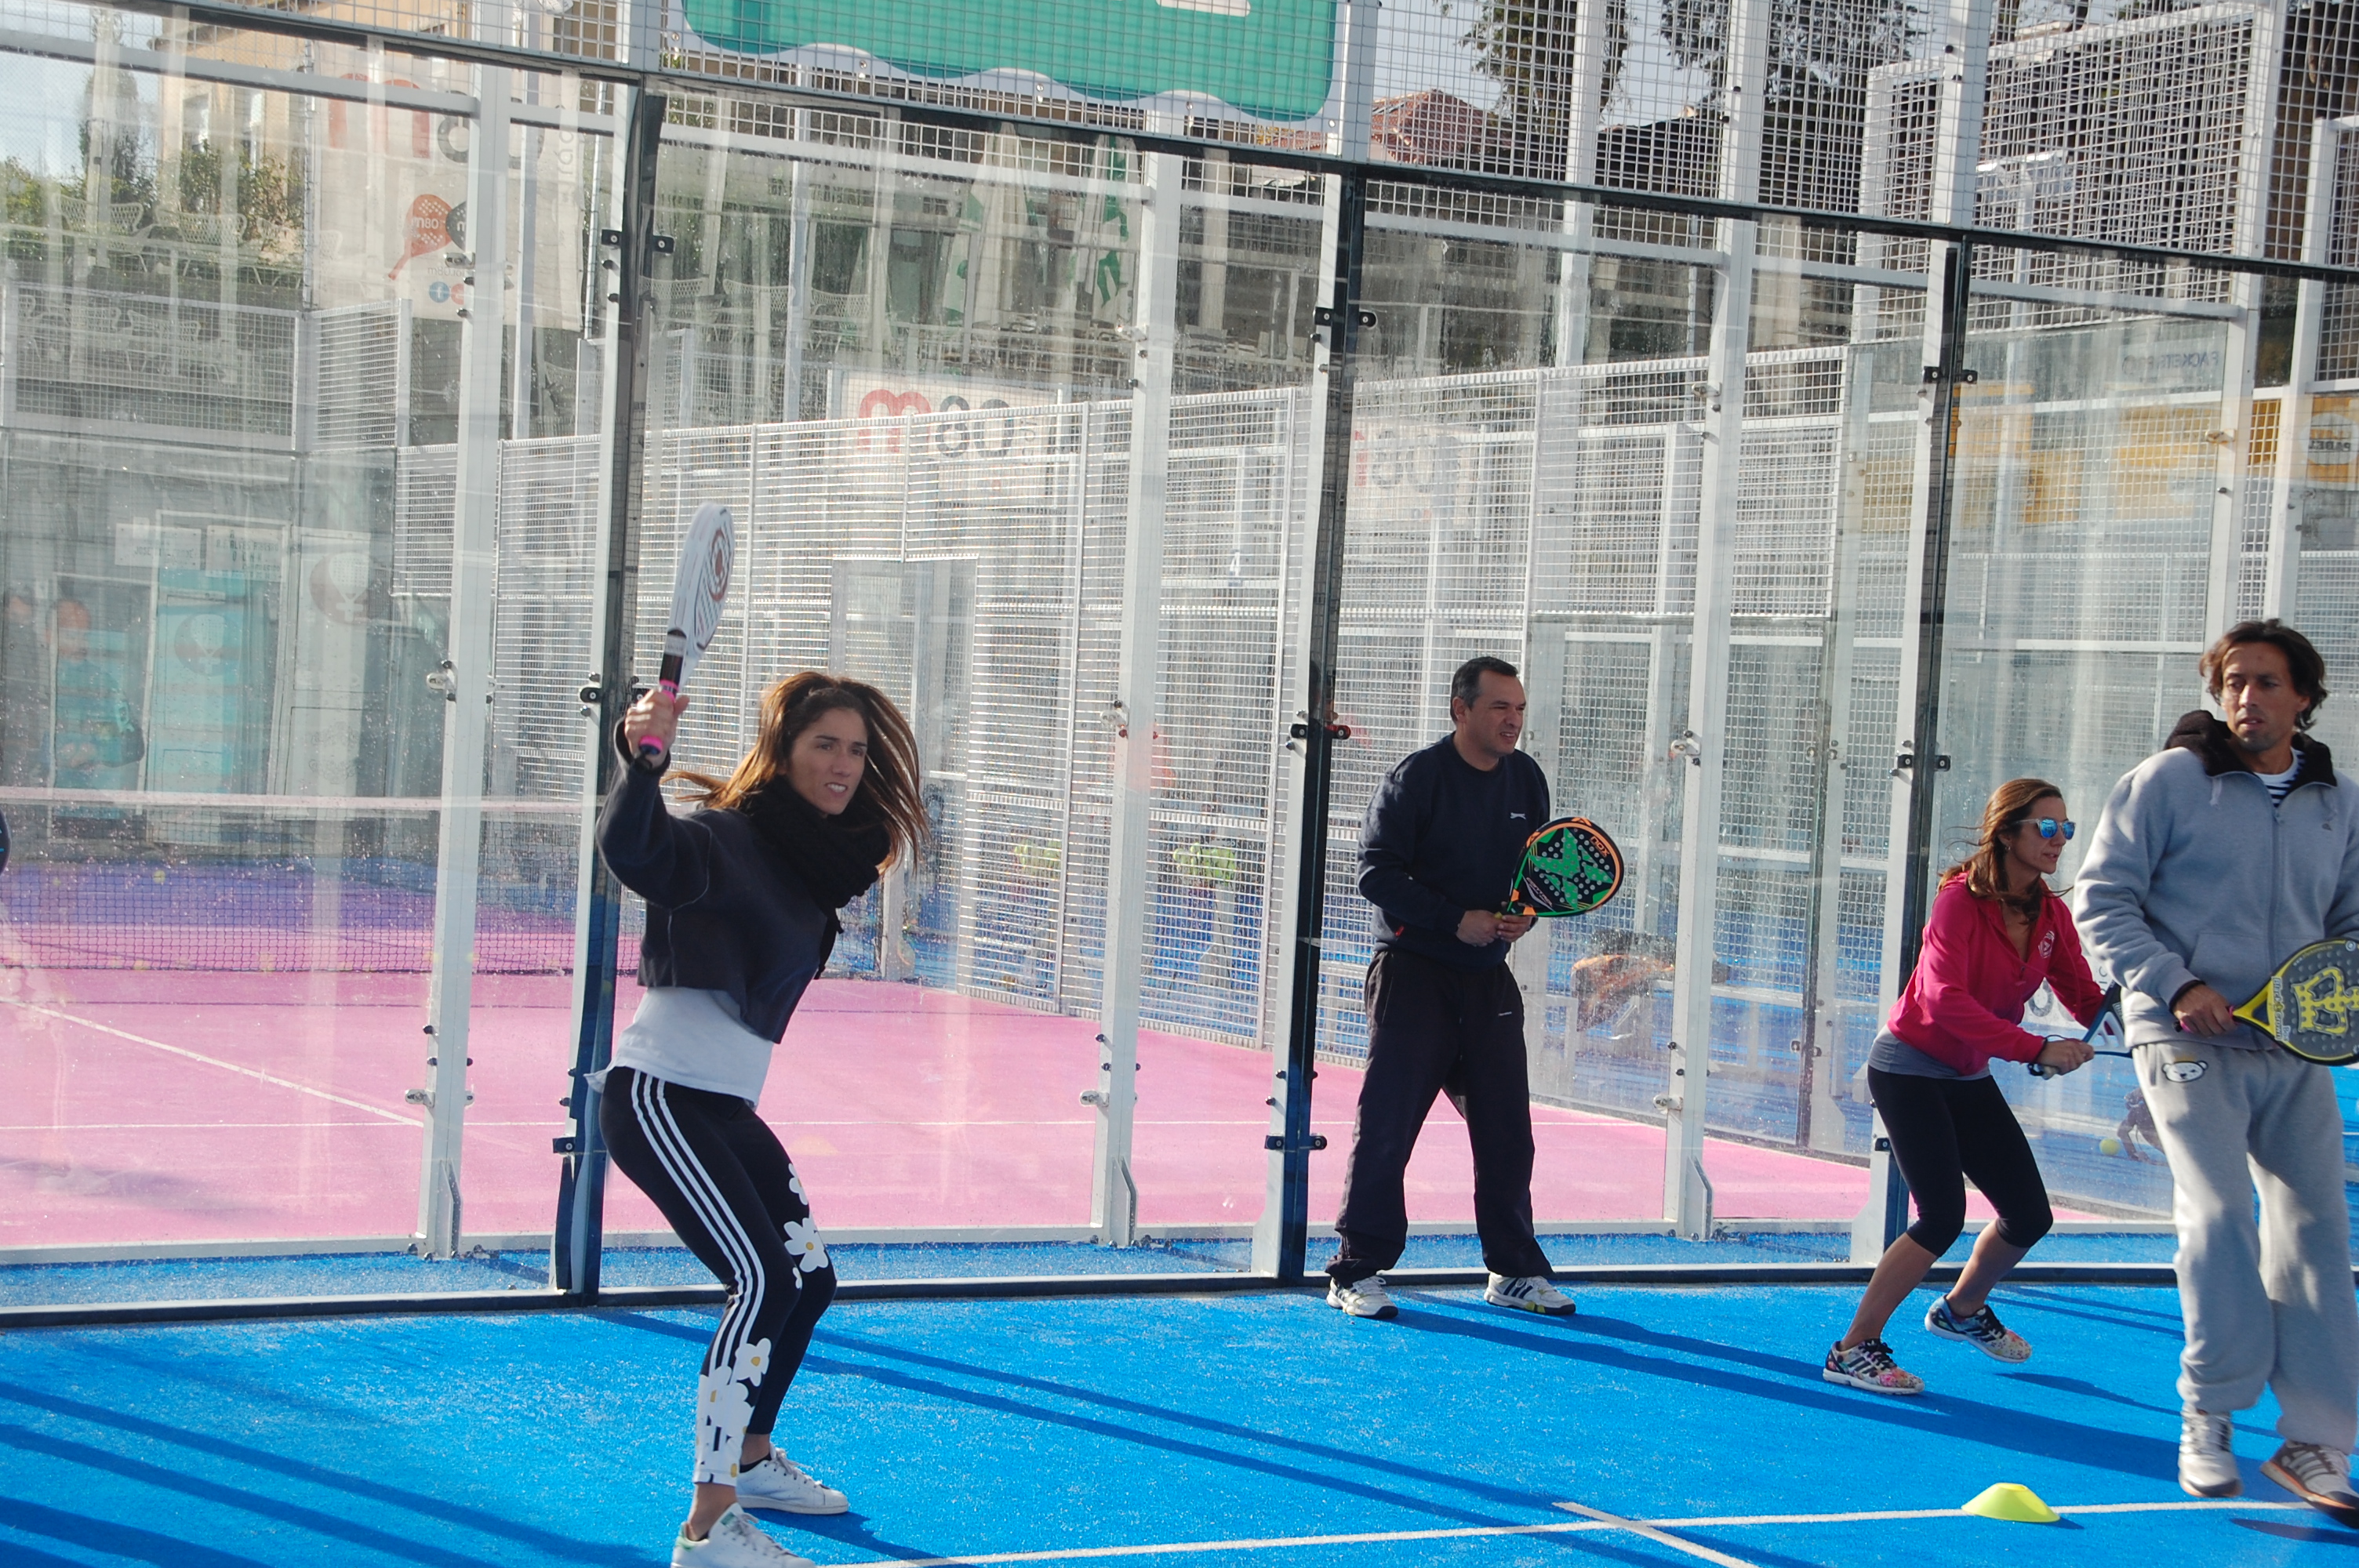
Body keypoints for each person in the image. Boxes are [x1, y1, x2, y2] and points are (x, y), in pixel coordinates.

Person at [599, 670, 928, 1568]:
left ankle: (749, 1459)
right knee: (762, 1282)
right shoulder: (722, 836)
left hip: (722, 1104)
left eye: (856, 749)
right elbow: (635, 849)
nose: (843, 763)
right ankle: (708, 1526)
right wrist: (641, 760)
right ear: (781, 751)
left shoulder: (809, 863)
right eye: (824, 744)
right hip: (659, 1096)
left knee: (808, 1278)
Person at [2076, 619, 2359, 1523]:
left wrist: (2326, 1006)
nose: (2245, 696)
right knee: (2218, 1217)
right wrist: (2176, 983)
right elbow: (2101, 901)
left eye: (2265, 681)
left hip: (2289, 1050)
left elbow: (2351, 926)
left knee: (2316, 1232)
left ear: (2302, 697)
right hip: (2183, 1038)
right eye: (2232, 681)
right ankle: (2207, 1413)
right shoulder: (2164, 781)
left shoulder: (2337, 802)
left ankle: (2314, 1440)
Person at [1822, 778, 2100, 1396]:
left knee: (2029, 1215)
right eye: (2046, 827)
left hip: (1969, 1074)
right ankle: (1852, 1349)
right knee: (1943, 1216)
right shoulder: (1958, 903)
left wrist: (2160, 1017)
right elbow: (1944, 1002)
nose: (2059, 840)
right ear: (2007, 833)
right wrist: (2037, 1048)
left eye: (2066, 829)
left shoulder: (2051, 915)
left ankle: (1962, 1309)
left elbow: (2084, 995)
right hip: (1909, 1070)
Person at [1325, 655, 1573, 1321]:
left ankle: (1513, 1272)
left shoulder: (1527, 779)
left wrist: (1523, 915)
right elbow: (1375, 873)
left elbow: (1533, 875)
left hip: (1488, 981)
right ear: (1461, 710)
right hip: (1413, 975)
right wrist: (1452, 918)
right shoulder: (1416, 780)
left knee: (1507, 1132)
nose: (1513, 720)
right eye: (1499, 707)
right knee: (1387, 1127)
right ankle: (1356, 1270)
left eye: (1519, 708)